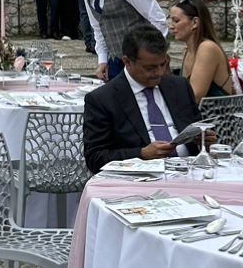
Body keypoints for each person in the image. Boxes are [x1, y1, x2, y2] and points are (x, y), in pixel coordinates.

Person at [82, 24, 202, 175]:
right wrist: (140, 154)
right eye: (150, 68)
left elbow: (195, 131)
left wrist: (204, 141)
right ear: (127, 62)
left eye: (163, 64)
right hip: (141, 177)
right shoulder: (103, 99)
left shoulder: (179, 86)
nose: (159, 72)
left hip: (190, 171)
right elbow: (95, 158)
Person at [167, 0, 235, 103]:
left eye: (176, 21)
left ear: (194, 23)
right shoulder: (187, 51)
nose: (171, 26)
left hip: (213, 114)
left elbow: (195, 96)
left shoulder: (207, 48)